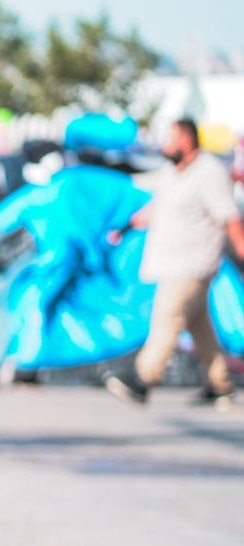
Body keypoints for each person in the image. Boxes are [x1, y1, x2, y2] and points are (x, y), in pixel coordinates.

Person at [105, 118, 244, 407]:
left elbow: (229, 218)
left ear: (187, 140)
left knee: (167, 319)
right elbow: (158, 207)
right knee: (199, 325)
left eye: (171, 139)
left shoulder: (209, 173)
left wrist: (241, 250)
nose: (165, 145)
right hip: (169, 262)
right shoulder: (172, 173)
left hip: (193, 263)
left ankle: (143, 379)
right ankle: (221, 385)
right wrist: (125, 228)